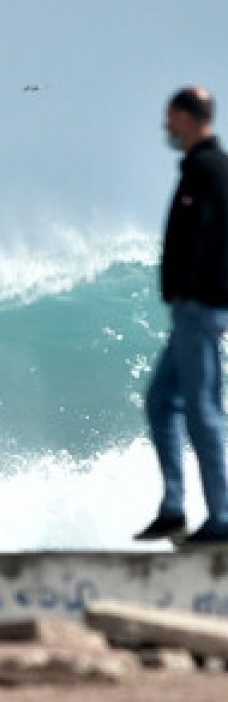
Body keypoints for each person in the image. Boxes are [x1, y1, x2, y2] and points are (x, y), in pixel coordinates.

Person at [137, 86, 228, 545]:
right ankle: (174, 508)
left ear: (188, 118)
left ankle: (223, 518)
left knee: (204, 411)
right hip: (189, 312)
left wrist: (207, 294)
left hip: (201, 310)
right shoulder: (195, 169)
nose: (166, 128)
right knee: (160, 402)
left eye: (170, 118)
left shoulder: (213, 169)